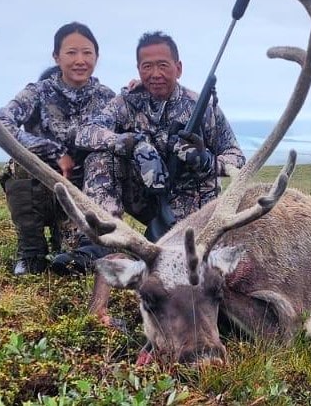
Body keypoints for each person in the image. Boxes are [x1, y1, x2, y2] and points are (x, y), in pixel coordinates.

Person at [73, 31, 245, 327]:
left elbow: (237, 158)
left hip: (193, 212)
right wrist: (131, 143)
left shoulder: (201, 106)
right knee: (100, 158)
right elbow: (86, 133)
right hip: (148, 198)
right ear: (138, 69)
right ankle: (104, 240)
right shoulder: (127, 102)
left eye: (163, 65)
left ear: (178, 68)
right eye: (146, 66)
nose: (155, 74)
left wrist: (207, 162)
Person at [0, 22, 115, 276]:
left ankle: (81, 246)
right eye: (71, 53)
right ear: (56, 56)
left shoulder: (107, 98)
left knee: (69, 262)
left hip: (78, 197)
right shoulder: (37, 92)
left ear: (97, 56)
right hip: (39, 185)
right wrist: (53, 152)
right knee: (20, 163)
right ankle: (31, 252)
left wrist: (137, 90)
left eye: (87, 52)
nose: (80, 60)